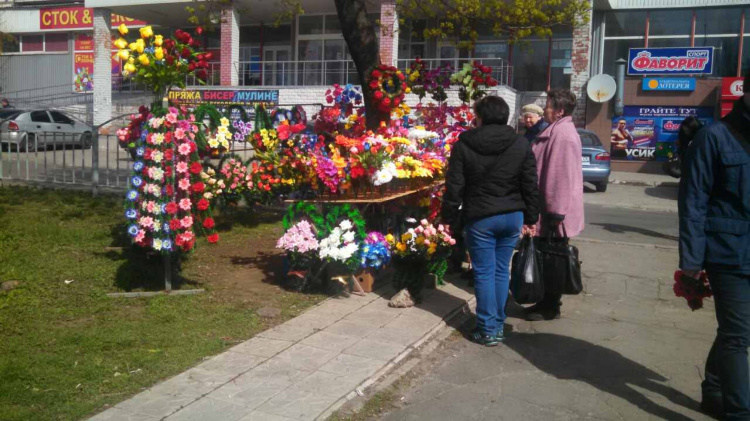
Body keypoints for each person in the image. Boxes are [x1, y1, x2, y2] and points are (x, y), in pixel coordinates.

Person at [679, 71, 750, 420]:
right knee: (738, 337)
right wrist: (691, 262)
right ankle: (739, 413)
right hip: (728, 253)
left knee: (736, 330)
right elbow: (693, 202)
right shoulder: (713, 137)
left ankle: (712, 388)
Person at [442, 95, 540, 346]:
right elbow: (530, 184)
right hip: (512, 216)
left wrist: (448, 217)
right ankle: (497, 323)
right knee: (500, 270)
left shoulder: (464, 144)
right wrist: (531, 217)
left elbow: (455, 186)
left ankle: (487, 328)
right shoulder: (520, 143)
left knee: (484, 273)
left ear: (480, 117)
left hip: (481, 217)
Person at [525, 89, 585, 322]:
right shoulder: (556, 131)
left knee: (553, 258)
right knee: (547, 256)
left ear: (559, 111)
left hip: (553, 211)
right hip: (549, 208)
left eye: (548, 105)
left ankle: (551, 305)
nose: (545, 109)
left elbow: (560, 178)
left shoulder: (563, 135)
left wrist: (555, 212)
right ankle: (545, 301)